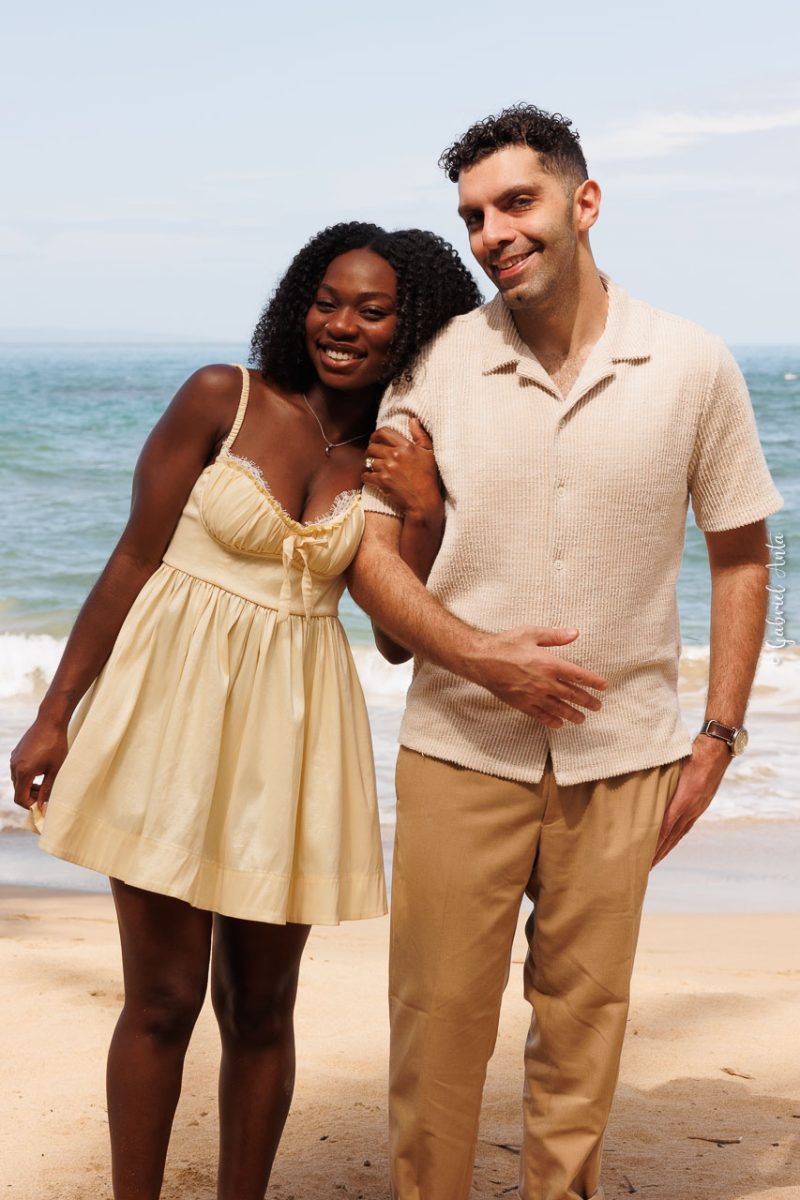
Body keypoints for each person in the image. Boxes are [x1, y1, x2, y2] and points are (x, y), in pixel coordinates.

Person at [350, 105, 782, 1200]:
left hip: (624, 759)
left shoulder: (691, 364)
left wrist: (714, 742)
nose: (492, 231)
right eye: (472, 216)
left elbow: (741, 559)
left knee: (581, 1038)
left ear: (581, 204)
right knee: (434, 1034)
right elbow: (372, 557)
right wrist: (484, 658)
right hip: (459, 750)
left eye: (515, 203)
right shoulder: (438, 364)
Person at [9, 221, 482, 1200]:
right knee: (162, 1001)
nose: (340, 324)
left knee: (262, 1010)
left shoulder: (392, 457)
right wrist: (56, 713)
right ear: (300, 298)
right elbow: (133, 561)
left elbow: (395, 638)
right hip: (166, 719)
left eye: (371, 310)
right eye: (327, 299)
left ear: (412, 331)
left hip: (295, 738)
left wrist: (426, 511)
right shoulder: (221, 398)